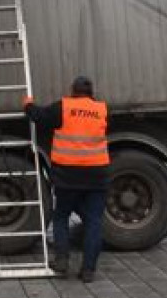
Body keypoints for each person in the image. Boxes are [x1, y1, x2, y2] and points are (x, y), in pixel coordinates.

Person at [23, 75, 110, 283]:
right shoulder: (102, 110)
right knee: (94, 221)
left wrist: (28, 105)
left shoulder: (63, 107)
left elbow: (39, 116)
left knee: (61, 216)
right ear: (91, 93)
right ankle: (88, 270)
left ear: (73, 90)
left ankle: (62, 260)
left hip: (68, 176)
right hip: (97, 176)